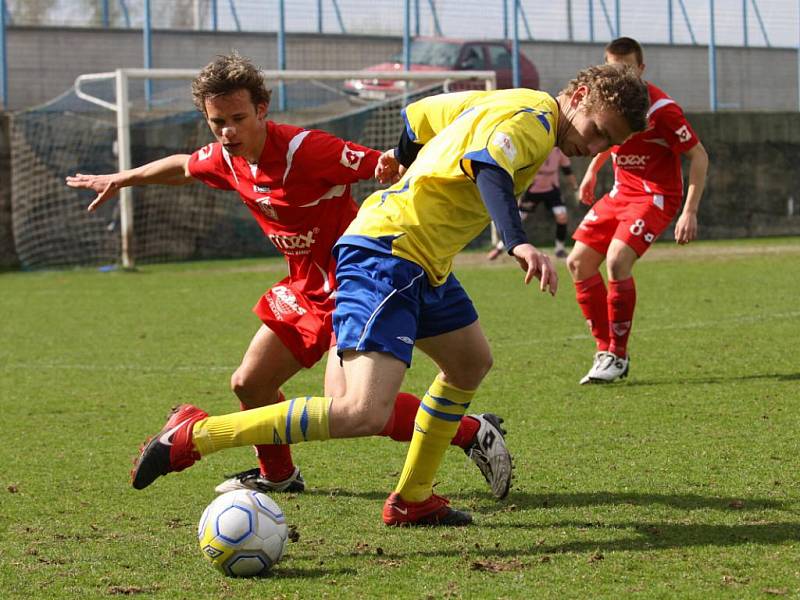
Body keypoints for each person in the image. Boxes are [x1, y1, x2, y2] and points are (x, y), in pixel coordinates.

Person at [129, 64, 650, 527]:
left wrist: (404, 169)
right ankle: (195, 437)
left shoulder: (503, 99)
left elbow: (418, 116)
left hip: (421, 256)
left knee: (470, 362)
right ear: (578, 95)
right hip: (391, 252)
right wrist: (516, 241)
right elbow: (490, 166)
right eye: (598, 130)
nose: (596, 147)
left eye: (609, 143)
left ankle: (413, 500)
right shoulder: (535, 120)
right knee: (360, 411)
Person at [65, 52, 514, 500]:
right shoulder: (229, 156)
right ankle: (278, 474)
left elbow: (387, 165)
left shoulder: (306, 150)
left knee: (351, 406)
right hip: (304, 286)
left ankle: (469, 431)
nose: (228, 131)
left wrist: (388, 169)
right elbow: (185, 166)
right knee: (250, 382)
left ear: (262, 109)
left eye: (238, 118)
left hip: (352, 281)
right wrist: (123, 178)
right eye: (217, 121)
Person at [567, 37, 709, 385]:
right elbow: (608, 139)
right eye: (612, 68)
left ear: (641, 69)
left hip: (656, 196)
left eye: (626, 69)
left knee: (616, 260)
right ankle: (604, 350)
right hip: (620, 194)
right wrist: (592, 172)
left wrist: (690, 211)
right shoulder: (607, 101)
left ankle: (617, 353)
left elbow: (699, 156)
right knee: (577, 262)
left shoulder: (661, 109)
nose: (619, 75)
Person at [486, 147, 577, 260]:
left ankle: (560, 249)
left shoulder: (559, 151)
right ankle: (500, 248)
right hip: (533, 190)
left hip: (552, 190)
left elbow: (567, 170)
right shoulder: (536, 149)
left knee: (562, 216)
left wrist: (575, 188)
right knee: (517, 218)